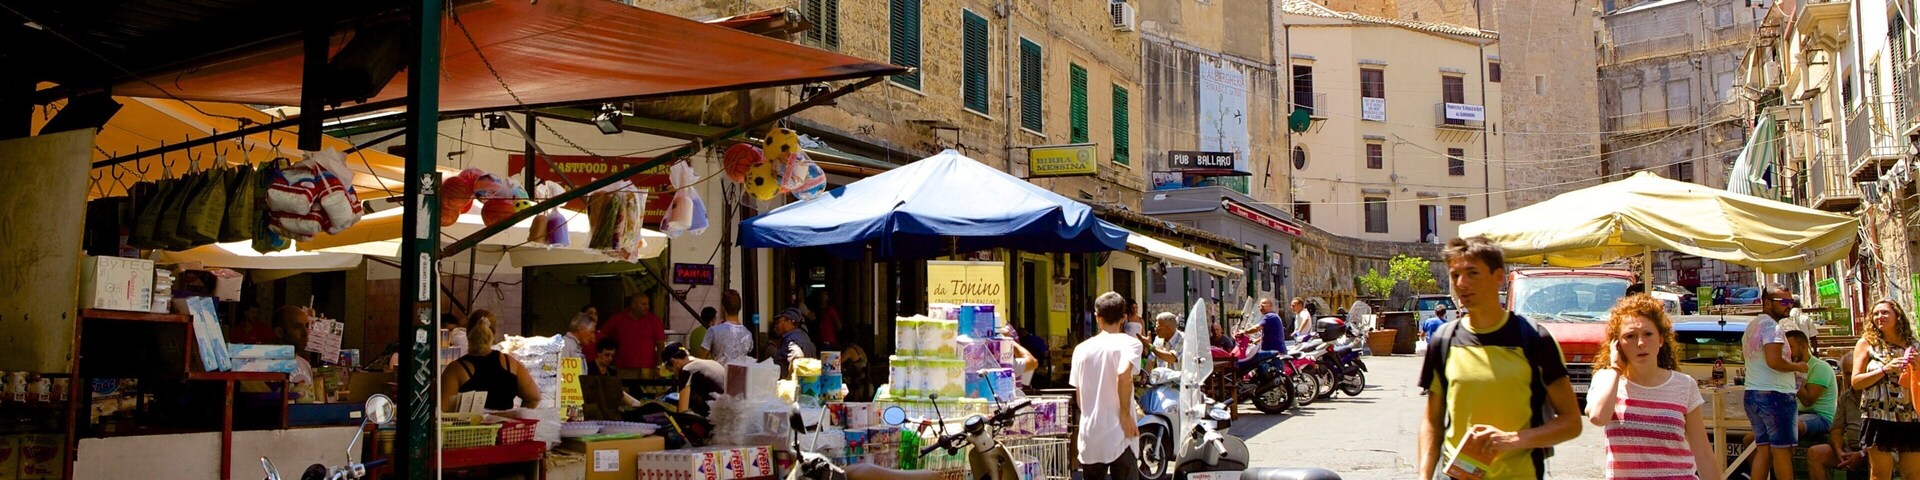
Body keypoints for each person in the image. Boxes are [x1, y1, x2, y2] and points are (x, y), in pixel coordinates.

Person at [1419, 236, 1581, 480]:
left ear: (1498, 277)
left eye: (1472, 273)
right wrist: (1424, 476)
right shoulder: (1444, 340)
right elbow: (1431, 421)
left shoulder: (1535, 339)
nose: (1461, 283)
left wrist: (1514, 440)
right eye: (1455, 276)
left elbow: (1571, 422)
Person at [1581, 295, 1719, 480]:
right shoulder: (1607, 380)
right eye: (1630, 336)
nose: (1640, 343)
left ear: (1661, 339)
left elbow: (1703, 453)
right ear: (1617, 344)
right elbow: (1598, 417)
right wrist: (1615, 368)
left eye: (1648, 334)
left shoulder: (1684, 385)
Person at [1071, 292, 1142, 480]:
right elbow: (1123, 374)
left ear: (1097, 317)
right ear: (1124, 318)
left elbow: (1080, 398)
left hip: (1091, 434)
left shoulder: (1081, 349)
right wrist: (1125, 415)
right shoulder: (1131, 344)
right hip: (1121, 434)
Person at [1848, 300, 1920, 480]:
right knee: (1880, 473)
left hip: (1910, 414)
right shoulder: (1866, 344)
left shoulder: (1914, 345)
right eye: (1876, 313)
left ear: (1898, 316)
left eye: (1885, 313)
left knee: (1913, 474)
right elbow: (1856, 382)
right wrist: (1884, 370)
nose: (1880, 317)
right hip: (1878, 414)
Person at [1744, 284, 1810, 480]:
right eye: (1783, 302)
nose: (1788, 306)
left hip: (1754, 393)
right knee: (1783, 452)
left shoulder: (1752, 325)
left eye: (1790, 301)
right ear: (1766, 302)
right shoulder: (1772, 327)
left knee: (1763, 450)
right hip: (1775, 395)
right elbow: (1774, 361)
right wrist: (1798, 367)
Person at [439, 315, 541, 411]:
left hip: (466, 429)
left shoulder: (455, 369)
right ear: (494, 334)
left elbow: (442, 409)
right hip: (504, 428)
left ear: (467, 333)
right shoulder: (511, 364)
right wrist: (515, 419)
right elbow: (534, 398)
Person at [1808, 358, 1867, 480]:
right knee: (1816, 453)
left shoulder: (1876, 394)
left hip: (1875, 450)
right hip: (1851, 449)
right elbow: (1836, 429)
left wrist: (1862, 454)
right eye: (1847, 373)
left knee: (1879, 456)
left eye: (1854, 372)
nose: (1851, 377)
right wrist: (1839, 451)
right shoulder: (1845, 398)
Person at [599, 292, 667, 374]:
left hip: (647, 368)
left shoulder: (654, 320)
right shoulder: (618, 319)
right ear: (633, 304)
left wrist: (659, 366)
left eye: (647, 304)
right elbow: (603, 336)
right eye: (643, 304)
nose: (647, 307)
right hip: (622, 367)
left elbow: (660, 344)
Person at [1789, 330, 1837, 438]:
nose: (1787, 352)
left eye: (1790, 347)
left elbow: (1808, 401)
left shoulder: (1820, 367)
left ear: (1803, 347)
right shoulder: (1790, 367)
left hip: (1821, 417)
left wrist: (1792, 375)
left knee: (1788, 427)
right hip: (1796, 414)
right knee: (1750, 438)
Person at [660, 342, 727, 416]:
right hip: (729, 416)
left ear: (674, 361)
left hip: (714, 419)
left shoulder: (687, 370)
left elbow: (683, 411)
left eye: (671, 370)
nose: (675, 375)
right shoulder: (712, 363)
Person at [272, 306, 316, 402]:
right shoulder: (266, 366)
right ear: (279, 332)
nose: (305, 333)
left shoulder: (305, 365)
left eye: (307, 326)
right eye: (298, 327)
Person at [704, 290, 755, 366]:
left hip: (719, 376)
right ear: (739, 308)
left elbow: (700, 360)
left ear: (722, 308)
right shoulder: (748, 334)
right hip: (739, 376)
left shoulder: (713, 331)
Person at [771, 308, 818, 378]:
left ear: (788, 322)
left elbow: (797, 357)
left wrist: (789, 380)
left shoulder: (791, 340)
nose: (776, 326)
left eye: (778, 322)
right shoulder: (805, 337)